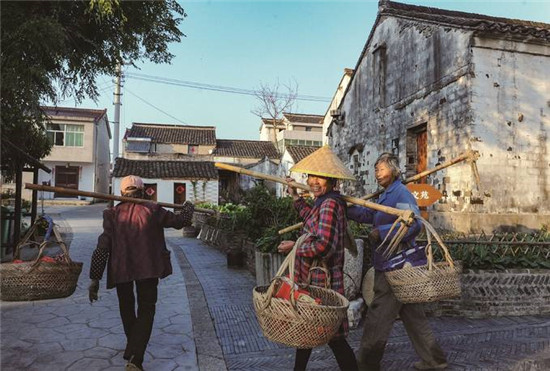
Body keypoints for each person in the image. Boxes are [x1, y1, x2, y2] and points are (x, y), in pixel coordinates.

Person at [347, 153, 448, 370]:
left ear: (393, 171)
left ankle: (366, 363)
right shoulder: (386, 195)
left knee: (377, 316)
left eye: (381, 170)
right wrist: (347, 207)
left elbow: (414, 224)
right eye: (376, 170)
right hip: (394, 264)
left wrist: (382, 232)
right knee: (414, 317)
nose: (378, 174)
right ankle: (435, 360)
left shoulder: (401, 193)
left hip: (396, 266)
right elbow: (368, 214)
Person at [88, 175, 194, 371]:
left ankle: (133, 350)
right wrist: (188, 206)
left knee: (126, 309)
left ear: (121, 193)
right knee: (146, 309)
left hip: (121, 269)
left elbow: (103, 246)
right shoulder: (153, 209)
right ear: (143, 191)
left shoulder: (111, 214)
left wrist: (95, 278)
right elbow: (181, 221)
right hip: (148, 268)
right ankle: (136, 358)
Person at [277, 145, 358, 371]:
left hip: (324, 282)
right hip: (315, 281)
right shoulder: (324, 202)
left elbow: (324, 245)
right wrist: (295, 197)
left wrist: (296, 246)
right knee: (309, 332)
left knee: (333, 338)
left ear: (332, 181)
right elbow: (311, 220)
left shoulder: (330, 204)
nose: (314, 181)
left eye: (320, 177)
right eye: (312, 176)